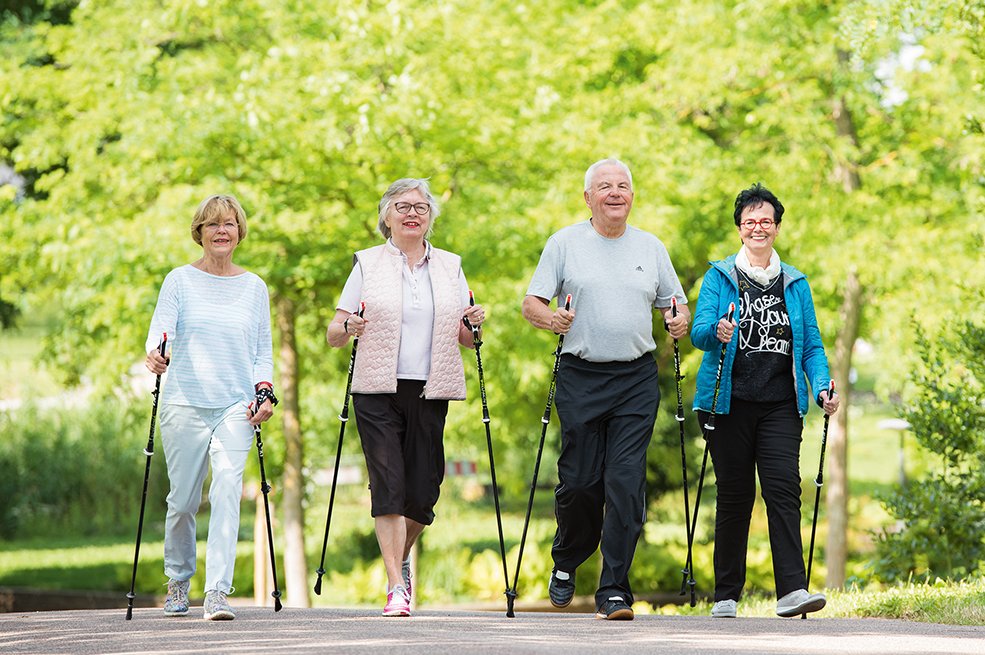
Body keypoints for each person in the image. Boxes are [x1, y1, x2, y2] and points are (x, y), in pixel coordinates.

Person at [522, 158, 689, 621]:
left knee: (625, 484)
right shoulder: (564, 243)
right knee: (580, 483)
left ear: (632, 196)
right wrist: (551, 319)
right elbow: (531, 303)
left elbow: (674, 304)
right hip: (581, 374)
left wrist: (677, 319)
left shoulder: (651, 247)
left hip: (635, 379)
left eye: (623, 186)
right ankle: (566, 558)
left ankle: (614, 590)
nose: (615, 193)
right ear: (587, 197)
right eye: (604, 186)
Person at [326, 178, 484, 617]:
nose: (412, 213)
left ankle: (400, 556)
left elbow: (467, 339)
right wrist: (349, 327)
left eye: (420, 207)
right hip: (377, 388)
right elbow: (334, 333)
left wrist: (473, 322)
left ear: (430, 216)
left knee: (424, 491)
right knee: (389, 485)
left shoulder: (450, 266)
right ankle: (396, 584)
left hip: (431, 387)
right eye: (402, 206)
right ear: (387, 216)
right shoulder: (367, 264)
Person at [690, 183, 840, 619]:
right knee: (735, 496)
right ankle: (726, 595)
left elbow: (811, 346)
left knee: (783, 490)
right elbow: (699, 332)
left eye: (766, 221)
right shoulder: (720, 277)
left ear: (776, 227)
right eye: (750, 221)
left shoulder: (795, 283)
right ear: (739, 228)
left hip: (779, 403)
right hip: (726, 403)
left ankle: (792, 590)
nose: (758, 228)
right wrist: (717, 330)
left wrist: (823, 387)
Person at [145, 194, 276, 621]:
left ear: (239, 232)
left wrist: (265, 391)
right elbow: (160, 331)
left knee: (227, 491)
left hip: (235, 405)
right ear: (199, 232)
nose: (222, 230)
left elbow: (262, 351)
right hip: (184, 403)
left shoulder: (254, 287)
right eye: (213, 224)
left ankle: (218, 590)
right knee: (183, 501)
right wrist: (156, 353)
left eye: (230, 223)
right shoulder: (179, 280)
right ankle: (178, 577)